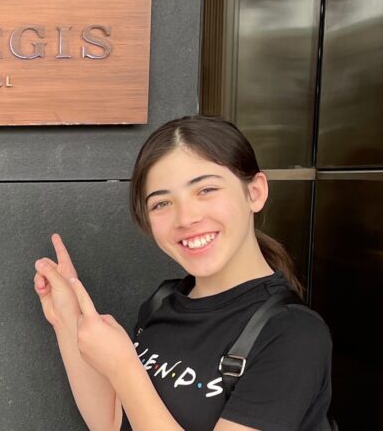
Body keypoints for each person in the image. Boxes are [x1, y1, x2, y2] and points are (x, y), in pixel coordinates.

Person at [33, 116, 332, 431]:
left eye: (206, 189)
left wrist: (123, 367)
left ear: (254, 192)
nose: (186, 217)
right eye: (162, 203)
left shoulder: (294, 334)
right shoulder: (163, 303)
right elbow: (111, 423)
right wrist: (67, 320)